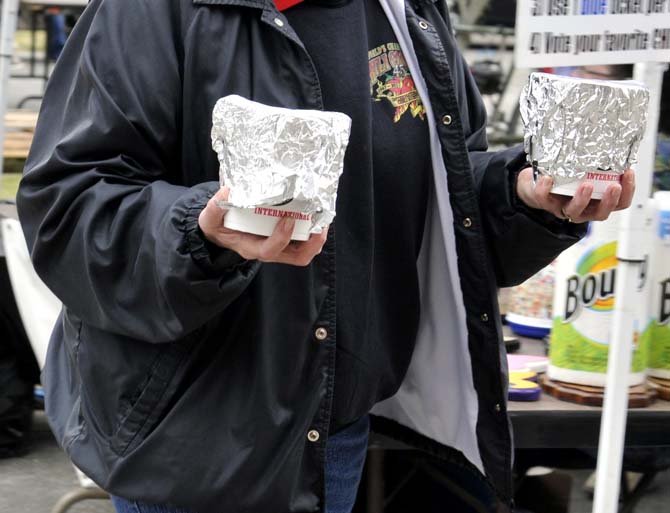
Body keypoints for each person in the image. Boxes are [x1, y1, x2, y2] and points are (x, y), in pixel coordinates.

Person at [16, 1, 634, 512]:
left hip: (336, 428)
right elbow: (71, 208)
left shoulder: (403, 12)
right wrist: (202, 233)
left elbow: (446, 195)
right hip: (193, 435)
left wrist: (525, 195)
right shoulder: (156, 11)